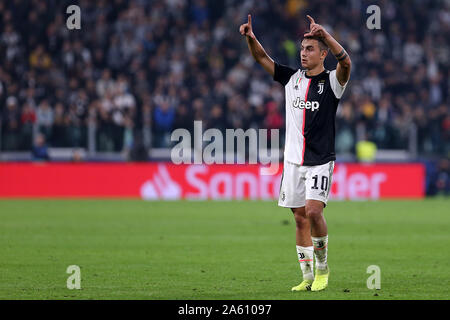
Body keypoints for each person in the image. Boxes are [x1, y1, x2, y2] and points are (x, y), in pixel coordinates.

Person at [240, 14, 351, 291]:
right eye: (302, 49)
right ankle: (307, 276)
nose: (304, 53)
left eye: (310, 49)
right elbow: (262, 59)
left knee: (314, 211)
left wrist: (325, 34)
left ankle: (323, 269)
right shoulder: (291, 79)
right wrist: (251, 39)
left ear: (323, 53)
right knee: (299, 217)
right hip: (292, 162)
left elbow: (346, 62)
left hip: (320, 161)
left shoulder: (333, 83)